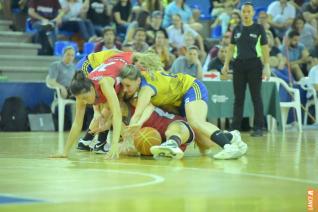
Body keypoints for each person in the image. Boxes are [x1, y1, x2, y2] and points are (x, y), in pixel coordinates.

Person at [119, 64, 248, 160]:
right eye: (123, 85)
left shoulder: (145, 89)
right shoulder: (141, 79)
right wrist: (139, 123)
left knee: (196, 122)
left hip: (191, 87)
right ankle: (232, 136)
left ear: (137, 81)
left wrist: (128, 137)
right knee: (206, 142)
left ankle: (229, 147)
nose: (124, 89)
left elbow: (138, 112)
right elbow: (148, 107)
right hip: (179, 100)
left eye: (128, 86)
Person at [52, 51, 135, 159]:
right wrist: (65, 151)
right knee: (106, 111)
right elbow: (77, 123)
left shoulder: (105, 84)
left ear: (92, 89)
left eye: (85, 98)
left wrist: (114, 146)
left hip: (128, 59)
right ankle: (98, 141)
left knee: (122, 106)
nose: (84, 102)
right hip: (110, 64)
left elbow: (117, 113)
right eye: (82, 99)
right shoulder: (82, 93)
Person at [221, 2, 271, 137]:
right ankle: (234, 128)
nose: (246, 14)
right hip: (238, 66)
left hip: (254, 65)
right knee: (238, 98)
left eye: (249, 11)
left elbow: (265, 48)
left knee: (256, 97)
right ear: (241, 13)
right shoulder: (236, 29)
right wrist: (226, 64)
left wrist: (267, 66)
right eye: (244, 11)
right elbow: (231, 48)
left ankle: (259, 127)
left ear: (253, 13)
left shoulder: (259, 28)